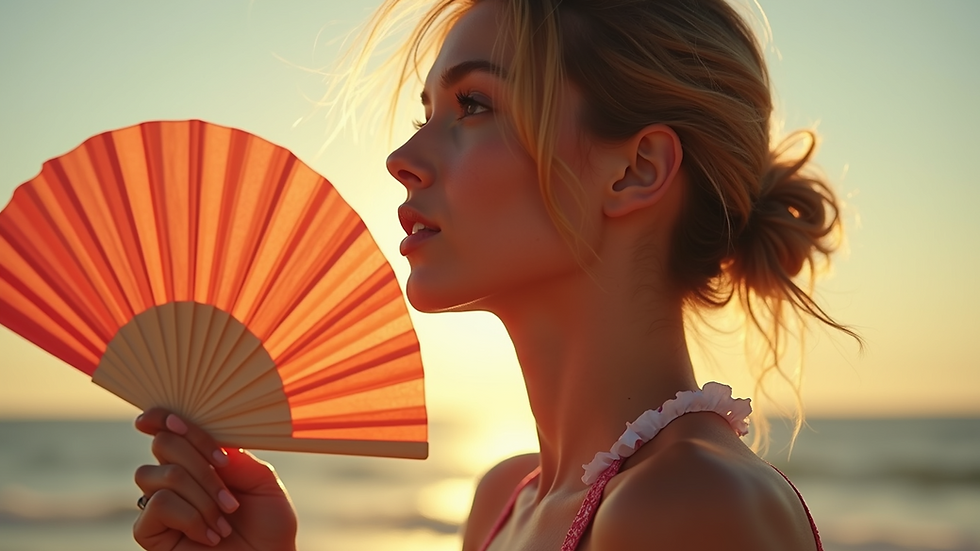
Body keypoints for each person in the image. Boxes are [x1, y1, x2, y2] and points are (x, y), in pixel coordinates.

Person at [132, 0, 858, 549]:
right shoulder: (504, 501)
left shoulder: (689, 505)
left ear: (635, 170)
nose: (404, 156)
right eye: (428, 109)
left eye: (473, 104)